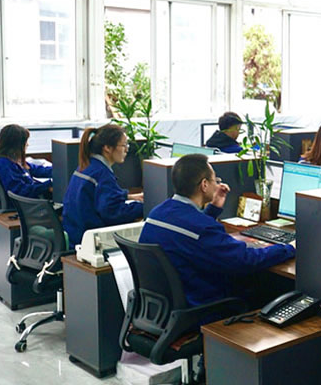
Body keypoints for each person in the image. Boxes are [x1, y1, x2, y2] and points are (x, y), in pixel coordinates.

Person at [139, 154, 294, 307]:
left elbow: (191, 235)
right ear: (204, 185)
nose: (217, 184)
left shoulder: (157, 213)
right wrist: (289, 248)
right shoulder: (203, 229)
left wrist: (213, 209)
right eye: (215, 180)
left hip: (164, 306)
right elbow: (245, 259)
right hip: (202, 306)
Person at [62, 124, 144, 249]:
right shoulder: (102, 174)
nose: (127, 150)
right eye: (124, 145)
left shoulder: (87, 166)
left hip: (75, 234)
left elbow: (99, 196)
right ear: (107, 148)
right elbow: (113, 213)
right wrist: (145, 207)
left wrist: (128, 196)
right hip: (88, 242)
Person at [0, 124, 53, 198]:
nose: (27, 144)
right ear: (16, 144)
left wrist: (59, 171)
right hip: (27, 202)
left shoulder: (12, 161)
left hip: (28, 200)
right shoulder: (4, 165)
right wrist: (47, 186)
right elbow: (20, 191)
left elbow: (36, 169)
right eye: (25, 142)